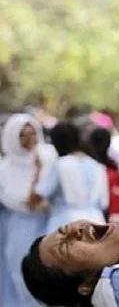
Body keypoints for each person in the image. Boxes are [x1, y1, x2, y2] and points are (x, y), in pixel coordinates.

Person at [0, 113, 57, 305]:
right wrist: (37, 173)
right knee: (19, 271)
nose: (30, 139)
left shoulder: (48, 156)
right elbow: (19, 201)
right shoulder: (5, 168)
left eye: (32, 134)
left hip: (48, 223)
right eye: (23, 135)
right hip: (20, 227)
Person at [28, 122, 109, 234]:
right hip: (96, 223)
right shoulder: (97, 165)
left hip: (66, 223)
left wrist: (38, 169)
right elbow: (104, 203)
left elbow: (37, 196)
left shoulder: (60, 165)